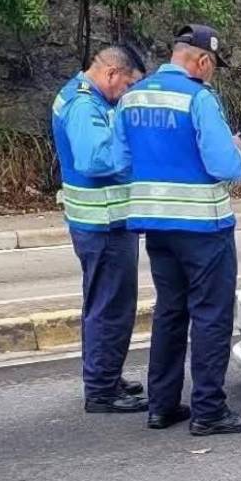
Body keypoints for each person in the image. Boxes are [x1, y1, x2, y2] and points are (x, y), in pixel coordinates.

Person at [115, 25, 241, 435]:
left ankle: (161, 406)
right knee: (211, 316)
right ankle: (209, 411)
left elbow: (120, 159)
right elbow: (222, 165)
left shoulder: (133, 96)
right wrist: (240, 160)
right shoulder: (199, 98)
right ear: (203, 61)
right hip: (203, 226)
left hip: (155, 226)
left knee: (170, 313)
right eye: (213, 67)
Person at [51, 44, 148, 414]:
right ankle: (102, 390)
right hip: (103, 224)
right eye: (128, 84)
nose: (128, 93)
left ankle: (106, 375)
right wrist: (138, 156)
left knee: (105, 303)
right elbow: (95, 159)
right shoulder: (84, 106)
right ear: (111, 74)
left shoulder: (81, 97)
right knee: (111, 307)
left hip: (99, 222)